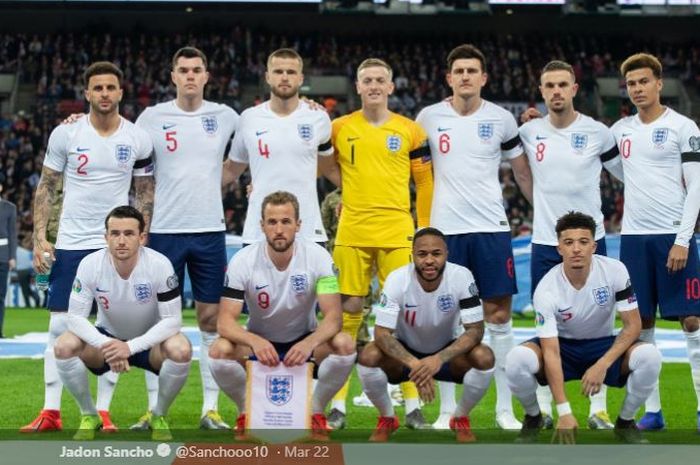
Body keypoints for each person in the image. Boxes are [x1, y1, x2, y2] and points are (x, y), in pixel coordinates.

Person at [22, 61, 154, 433]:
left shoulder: (136, 138)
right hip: (72, 243)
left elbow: (145, 191)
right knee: (58, 327)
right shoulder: (67, 134)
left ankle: (104, 411)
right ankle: (51, 411)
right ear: (86, 93)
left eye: (111, 87)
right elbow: (46, 185)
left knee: (111, 329)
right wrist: (40, 236)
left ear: (121, 93)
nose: (105, 94)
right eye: (98, 88)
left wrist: (143, 235)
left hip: (116, 244)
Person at [415, 44, 532, 430]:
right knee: (446, 320)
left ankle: (504, 410)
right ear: (449, 77)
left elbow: (522, 172)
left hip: (491, 230)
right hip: (444, 232)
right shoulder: (428, 118)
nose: (465, 76)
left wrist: (543, 210)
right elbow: (408, 170)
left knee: (499, 318)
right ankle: (448, 411)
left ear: (483, 78)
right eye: (458, 71)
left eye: (472, 71)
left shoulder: (502, 119)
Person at [133, 46, 240, 431]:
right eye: (183, 70)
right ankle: (154, 410)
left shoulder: (226, 117)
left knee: (211, 319)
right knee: (159, 323)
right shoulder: (151, 117)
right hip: (163, 230)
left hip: (210, 231)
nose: (191, 75)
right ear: (173, 75)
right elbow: (139, 171)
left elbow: (252, 147)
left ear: (207, 75)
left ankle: (210, 409)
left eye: (197, 69)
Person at [328, 57, 434, 430]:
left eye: (380, 80)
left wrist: (424, 229)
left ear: (391, 87)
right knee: (347, 313)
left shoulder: (410, 130)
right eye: (367, 80)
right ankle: (338, 405)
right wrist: (345, 190)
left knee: (402, 317)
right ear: (357, 87)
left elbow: (424, 183)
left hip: (396, 230)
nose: (373, 85)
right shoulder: (339, 127)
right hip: (353, 229)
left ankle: (411, 407)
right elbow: (325, 165)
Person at [519, 60, 625, 430]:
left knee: (600, 319)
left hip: (590, 243)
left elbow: (625, 175)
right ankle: (548, 408)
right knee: (546, 325)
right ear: (541, 90)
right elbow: (520, 171)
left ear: (575, 89)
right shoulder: (530, 131)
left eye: (563, 85)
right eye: (549, 86)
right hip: (545, 241)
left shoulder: (598, 132)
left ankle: (598, 410)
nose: (556, 92)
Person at [208, 191, 356, 441]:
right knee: (218, 351)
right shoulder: (242, 261)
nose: (279, 229)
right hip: (259, 342)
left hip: (303, 340)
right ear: (262, 226)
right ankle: (247, 411)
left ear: (298, 225)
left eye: (286, 221)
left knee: (345, 345)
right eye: (272, 222)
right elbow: (225, 321)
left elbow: (333, 317)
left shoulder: (319, 257)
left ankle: (315, 411)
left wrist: (309, 343)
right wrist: (254, 341)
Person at [505, 212, 662, 444]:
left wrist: (602, 364)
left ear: (594, 246)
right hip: (563, 348)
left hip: (602, 345)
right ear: (559, 248)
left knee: (650, 355)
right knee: (516, 359)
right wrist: (565, 411)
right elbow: (550, 350)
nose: (576, 249)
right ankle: (533, 416)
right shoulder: (546, 288)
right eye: (568, 243)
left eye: (583, 242)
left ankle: (625, 421)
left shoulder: (615, 271)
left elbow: (633, 325)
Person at [611, 53, 700, 431]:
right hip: (633, 238)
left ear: (659, 83)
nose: (637, 89)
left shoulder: (684, 126)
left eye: (644, 81)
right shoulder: (620, 130)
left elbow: (697, 183)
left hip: (673, 237)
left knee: (693, 321)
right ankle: (653, 411)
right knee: (639, 323)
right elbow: (614, 167)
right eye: (631, 84)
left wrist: (683, 239)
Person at [53, 206, 190, 441]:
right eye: (115, 234)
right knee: (63, 345)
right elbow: (75, 317)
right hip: (106, 340)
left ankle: (159, 414)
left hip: (149, 343)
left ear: (142, 237)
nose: (121, 240)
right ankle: (89, 415)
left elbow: (172, 320)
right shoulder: (90, 264)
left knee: (181, 348)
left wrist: (129, 347)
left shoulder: (160, 265)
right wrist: (109, 345)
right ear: (106, 237)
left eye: (129, 233)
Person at [357, 227, 493, 442]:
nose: (429, 260)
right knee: (368, 355)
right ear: (413, 255)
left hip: (448, 352)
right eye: (422, 254)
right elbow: (382, 333)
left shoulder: (461, 276)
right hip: (405, 353)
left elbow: (476, 329)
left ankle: (460, 418)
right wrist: (415, 364)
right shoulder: (397, 279)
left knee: (484, 357)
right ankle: (387, 418)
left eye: (436, 254)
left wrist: (437, 359)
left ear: (446, 254)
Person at [223, 48, 338, 245]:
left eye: (291, 72)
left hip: (307, 230)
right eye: (278, 72)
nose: (284, 77)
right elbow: (231, 169)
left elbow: (330, 169)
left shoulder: (318, 118)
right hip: (259, 231)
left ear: (301, 78)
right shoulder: (249, 118)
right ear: (268, 77)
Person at [0, 181, 17, 338]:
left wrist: (12, 256)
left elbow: (12, 233)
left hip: (3, 256)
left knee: (0, 295)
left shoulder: (9, 208)